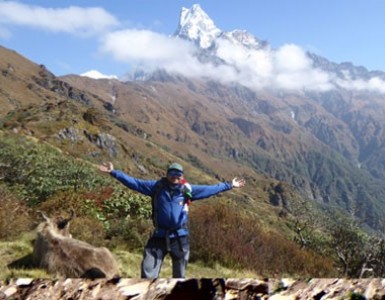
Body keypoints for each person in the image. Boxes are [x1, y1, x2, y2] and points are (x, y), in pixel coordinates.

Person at [99, 161, 246, 278]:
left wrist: (230, 185)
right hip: (159, 236)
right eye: (173, 173)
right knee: (148, 270)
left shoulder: (187, 190)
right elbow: (134, 183)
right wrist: (113, 172)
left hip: (180, 237)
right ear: (167, 174)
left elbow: (209, 189)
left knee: (179, 276)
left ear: (182, 176)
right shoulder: (156, 187)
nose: (176, 176)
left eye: (179, 174)